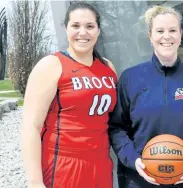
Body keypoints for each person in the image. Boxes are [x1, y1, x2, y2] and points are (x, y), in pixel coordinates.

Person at [108, 5, 183, 188]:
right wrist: (135, 160)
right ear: (150, 36)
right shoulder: (130, 78)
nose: (167, 36)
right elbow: (117, 129)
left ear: (181, 35)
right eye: (160, 31)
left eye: (172, 30)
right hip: (140, 180)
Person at [21, 2, 117, 188]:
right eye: (76, 26)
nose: (83, 32)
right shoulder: (51, 65)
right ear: (65, 28)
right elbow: (30, 127)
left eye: (89, 26)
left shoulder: (108, 67)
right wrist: (34, 182)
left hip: (101, 162)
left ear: (98, 30)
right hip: (64, 162)